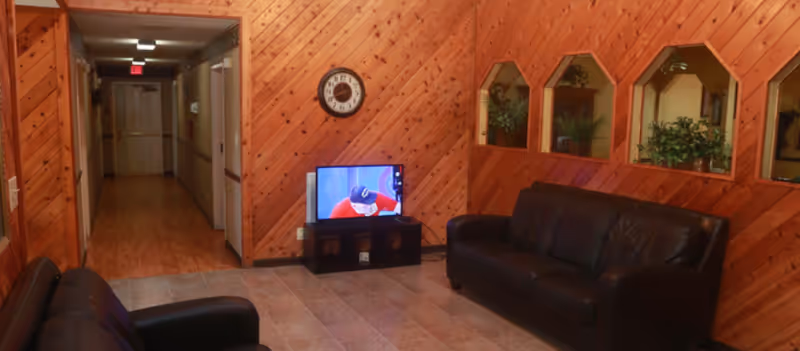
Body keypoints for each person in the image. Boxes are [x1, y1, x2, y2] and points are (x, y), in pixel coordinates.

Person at [329, 185, 401, 218]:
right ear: (354, 206)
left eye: (370, 200)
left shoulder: (377, 198)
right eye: (366, 203)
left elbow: (400, 208)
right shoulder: (339, 211)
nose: (371, 204)